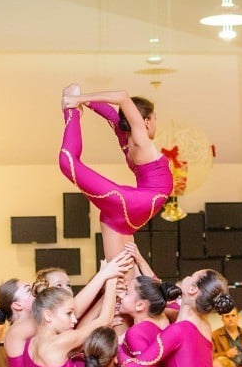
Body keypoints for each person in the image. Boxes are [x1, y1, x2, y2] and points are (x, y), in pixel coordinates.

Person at [59, 85, 172, 260]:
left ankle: (72, 112)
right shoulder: (141, 140)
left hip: (133, 208)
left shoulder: (128, 140)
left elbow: (111, 113)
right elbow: (123, 97)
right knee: (67, 161)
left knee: (116, 266)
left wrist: (81, 99)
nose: (155, 123)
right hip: (136, 207)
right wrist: (78, 99)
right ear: (146, 121)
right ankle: (71, 111)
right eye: (155, 118)